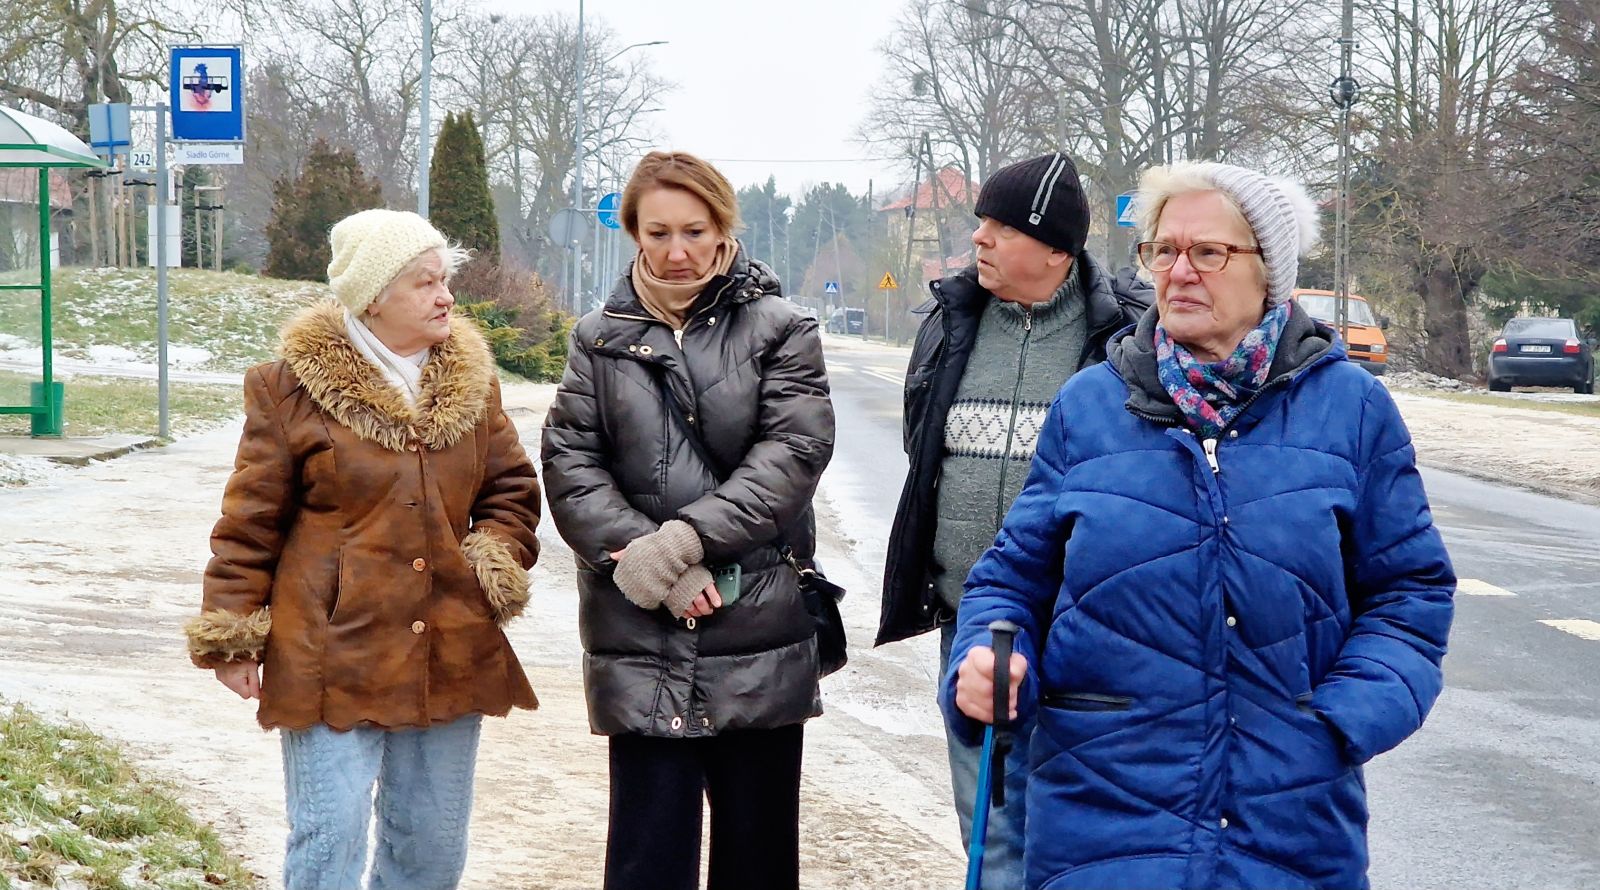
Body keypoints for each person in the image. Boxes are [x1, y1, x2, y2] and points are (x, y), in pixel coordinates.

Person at [942, 160, 1456, 890]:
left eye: (1208, 252)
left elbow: (1411, 594)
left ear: (1269, 272)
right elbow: (1009, 580)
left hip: (1290, 825)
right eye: (1162, 251)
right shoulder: (1090, 407)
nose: (1179, 272)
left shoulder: (1354, 409)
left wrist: (1339, 723)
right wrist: (988, 661)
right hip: (1102, 814)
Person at [184, 208, 541, 890]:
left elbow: (512, 492)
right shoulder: (288, 389)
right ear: (373, 297)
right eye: (424, 283)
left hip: (448, 645)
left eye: (445, 280)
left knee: (431, 850)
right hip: (329, 651)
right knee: (330, 840)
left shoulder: (474, 383)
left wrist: (489, 558)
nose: (446, 297)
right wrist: (233, 633)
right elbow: (250, 521)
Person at [540, 151, 834, 890]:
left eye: (695, 231)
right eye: (659, 232)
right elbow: (570, 463)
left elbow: (793, 454)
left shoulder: (783, 329)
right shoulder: (596, 338)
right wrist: (645, 561)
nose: (677, 252)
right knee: (647, 862)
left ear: (724, 230)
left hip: (757, 632)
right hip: (639, 630)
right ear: (632, 233)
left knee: (757, 862)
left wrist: (685, 540)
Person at [879, 151, 1151, 887]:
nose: (981, 240)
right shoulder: (952, 321)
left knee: (1072, 840)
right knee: (990, 833)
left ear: (1056, 248)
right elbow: (923, 447)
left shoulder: (1123, 340)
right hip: (972, 631)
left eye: (1002, 226)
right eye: (981, 224)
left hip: (1082, 640)